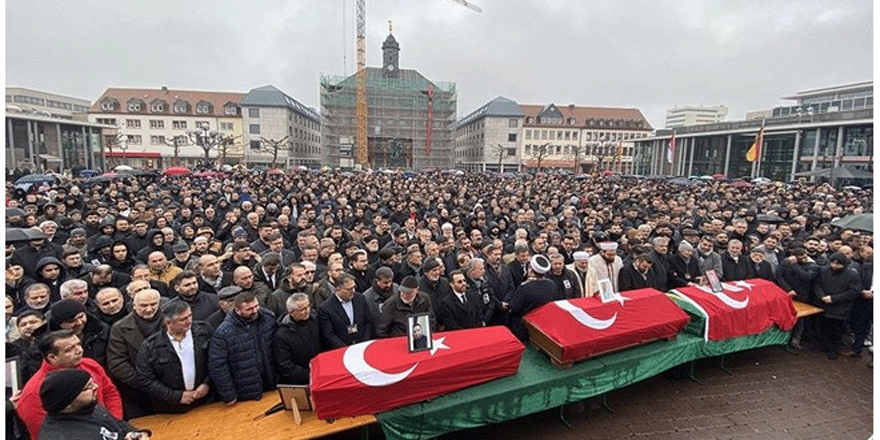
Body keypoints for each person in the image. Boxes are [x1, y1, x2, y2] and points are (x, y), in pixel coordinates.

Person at [15, 330, 123, 439]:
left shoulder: (89, 364)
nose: (79, 350)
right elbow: (44, 431)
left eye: (79, 344)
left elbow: (110, 393)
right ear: (52, 357)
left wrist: (114, 425)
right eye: (69, 349)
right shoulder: (34, 392)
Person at [136, 301, 213, 413]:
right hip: (171, 408)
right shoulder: (151, 346)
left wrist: (207, 383)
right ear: (168, 323)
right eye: (182, 319)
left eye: (190, 316)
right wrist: (176, 396)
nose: (189, 321)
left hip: (207, 401)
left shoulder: (204, 331)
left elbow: (217, 360)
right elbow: (145, 379)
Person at [37, 369, 150, 440]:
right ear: (68, 401)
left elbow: (116, 423)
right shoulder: (62, 436)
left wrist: (134, 433)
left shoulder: (87, 407)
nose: (96, 387)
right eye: (88, 387)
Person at [208, 290, 277, 405]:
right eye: (249, 309)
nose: (255, 311)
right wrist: (228, 395)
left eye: (256, 306)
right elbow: (218, 365)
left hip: (271, 384)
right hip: (245, 392)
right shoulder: (224, 332)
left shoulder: (268, 318)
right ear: (238, 310)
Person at [106, 289, 162, 419]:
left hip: (172, 388)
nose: (149, 309)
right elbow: (117, 363)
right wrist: (149, 384)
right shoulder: (119, 328)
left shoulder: (171, 319)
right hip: (138, 394)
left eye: (153, 304)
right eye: (143, 306)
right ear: (134, 305)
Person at [814, 252, 861, 360]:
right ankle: (823, 345)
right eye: (832, 263)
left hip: (840, 307)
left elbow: (854, 291)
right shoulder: (824, 270)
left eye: (838, 264)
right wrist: (821, 296)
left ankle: (834, 349)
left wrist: (834, 298)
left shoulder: (852, 274)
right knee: (823, 326)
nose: (834, 266)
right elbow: (817, 284)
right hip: (824, 304)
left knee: (836, 330)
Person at [318, 273, 374, 349]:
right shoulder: (326, 308)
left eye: (354, 287)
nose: (353, 291)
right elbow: (329, 334)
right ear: (338, 289)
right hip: (341, 350)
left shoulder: (360, 298)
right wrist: (345, 349)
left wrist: (364, 341)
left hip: (361, 345)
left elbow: (368, 321)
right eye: (349, 289)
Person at [273, 293, 320, 385]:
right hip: (299, 381)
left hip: (319, 373)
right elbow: (284, 364)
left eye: (308, 306)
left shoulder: (315, 320)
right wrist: (309, 373)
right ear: (291, 312)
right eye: (302, 309)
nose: (307, 311)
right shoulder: (282, 334)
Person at [47, 299, 110, 367]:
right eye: (72, 321)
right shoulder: (47, 340)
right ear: (59, 324)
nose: (79, 323)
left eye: (81, 317)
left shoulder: (101, 329)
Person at [507, 255, 556, 341]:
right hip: (543, 326)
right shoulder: (551, 284)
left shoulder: (524, 287)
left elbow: (514, 307)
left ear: (531, 270)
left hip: (524, 327)